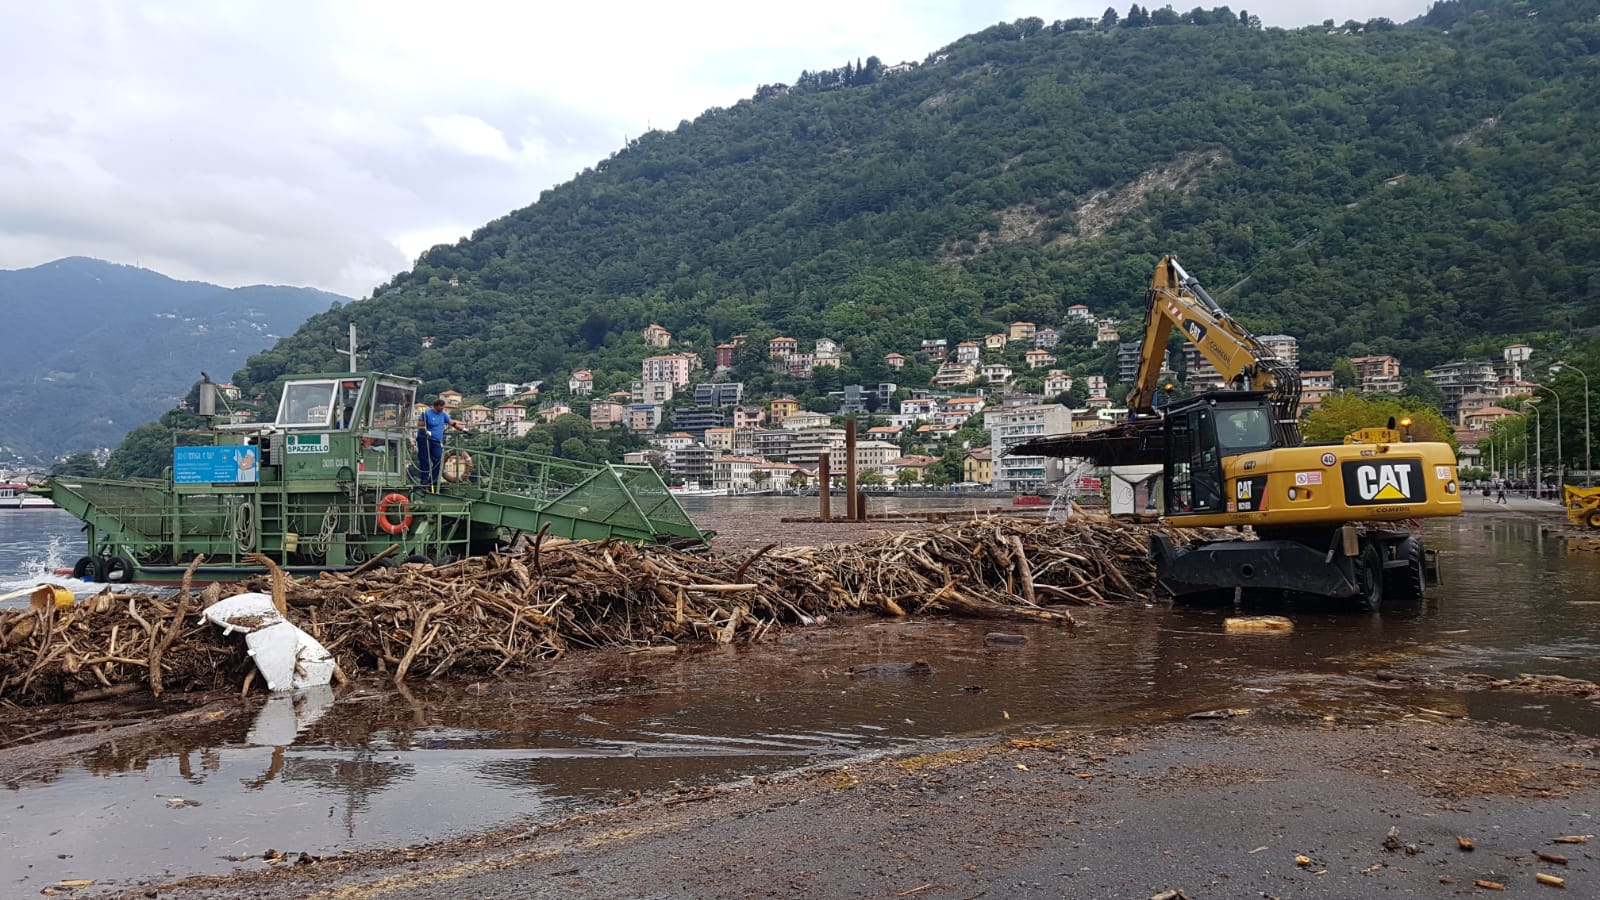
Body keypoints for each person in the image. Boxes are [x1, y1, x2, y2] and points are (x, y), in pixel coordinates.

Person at [416, 398, 465, 487]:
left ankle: (433, 481)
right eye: (441, 407)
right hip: (425, 439)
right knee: (424, 459)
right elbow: (419, 424)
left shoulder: (443, 414)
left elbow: (452, 423)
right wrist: (425, 429)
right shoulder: (427, 413)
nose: (443, 408)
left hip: (436, 441)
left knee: (438, 460)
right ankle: (424, 480)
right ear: (436, 406)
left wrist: (463, 430)